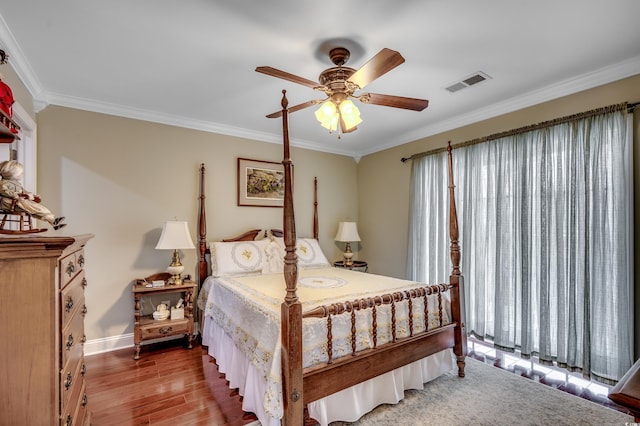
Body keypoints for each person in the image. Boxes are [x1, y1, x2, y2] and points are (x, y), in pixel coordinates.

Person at [0, 160, 66, 230]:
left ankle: (53, 223)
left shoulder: (17, 184)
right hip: (9, 204)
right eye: (20, 173)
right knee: (33, 208)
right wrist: (17, 196)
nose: (22, 174)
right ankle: (53, 220)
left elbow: (24, 191)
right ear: (10, 173)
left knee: (35, 209)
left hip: (19, 202)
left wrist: (32, 195)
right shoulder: (3, 183)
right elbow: (4, 191)